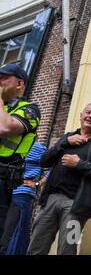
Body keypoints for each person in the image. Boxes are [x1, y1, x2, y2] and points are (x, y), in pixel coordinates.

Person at [27, 103, 91, 255]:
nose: (90, 116)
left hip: (78, 206)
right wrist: (64, 142)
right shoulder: (67, 137)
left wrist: (79, 164)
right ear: (81, 115)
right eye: (88, 112)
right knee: (36, 247)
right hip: (50, 201)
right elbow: (44, 161)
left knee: (68, 249)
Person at [0, 64, 41, 240]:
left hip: (5, 178)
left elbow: (5, 127)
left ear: (19, 83)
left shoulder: (29, 109)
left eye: (3, 78)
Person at [0, 140, 46, 255]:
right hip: (5, 190)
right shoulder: (11, 143)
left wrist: (37, 184)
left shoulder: (39, 149)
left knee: (11, 232)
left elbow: (54, 168)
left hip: (22, 194)